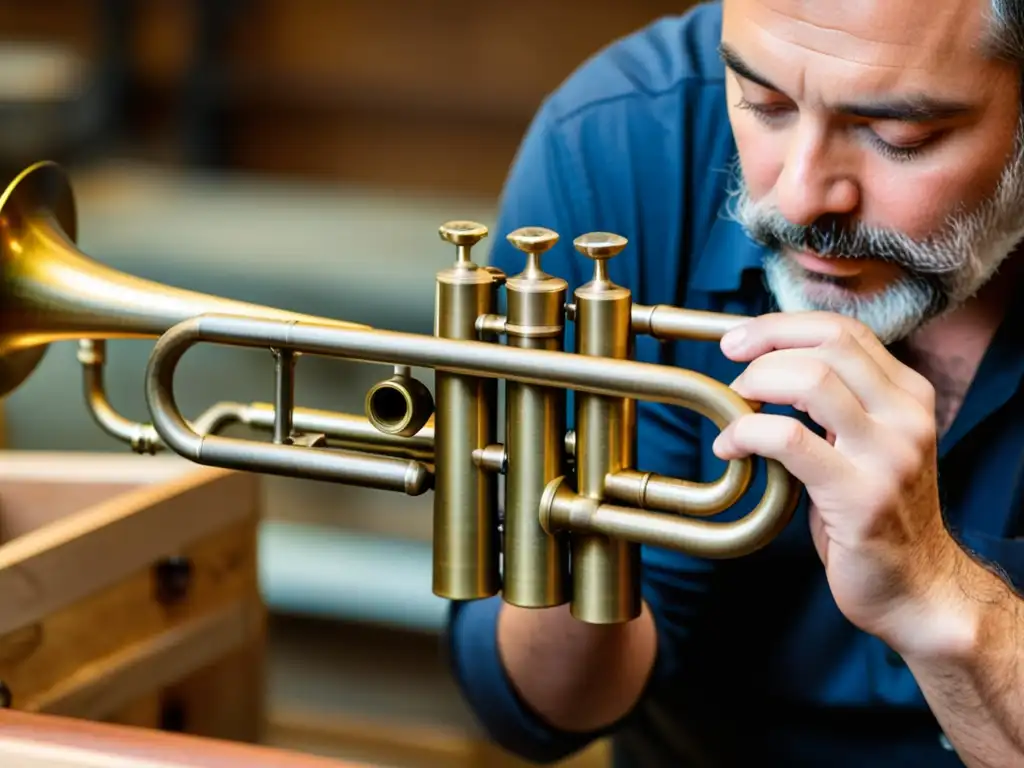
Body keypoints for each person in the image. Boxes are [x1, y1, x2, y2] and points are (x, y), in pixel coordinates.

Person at [444, 0, 1024, 766]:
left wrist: (937, 593)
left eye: (898, 137)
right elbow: (543, 714)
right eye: (763, 104)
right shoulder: (617, 140)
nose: (798, 197)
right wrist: (560, 527)